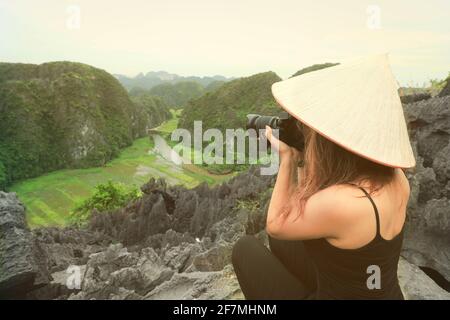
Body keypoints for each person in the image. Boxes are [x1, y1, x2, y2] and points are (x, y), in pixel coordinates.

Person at [232, 54, 415, 300]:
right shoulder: (396, 178)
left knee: (245, 249)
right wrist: (303, 158)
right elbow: (306, 208)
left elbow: (276, 224)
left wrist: (287, 159)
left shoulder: (341, 203)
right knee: (286, 244)